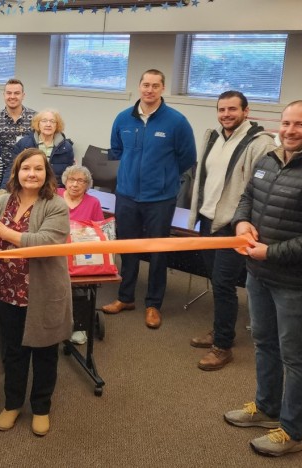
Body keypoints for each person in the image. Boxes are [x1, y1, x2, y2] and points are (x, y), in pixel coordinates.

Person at [225, 100, 302, 457]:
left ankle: (293, 431)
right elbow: (247, 198)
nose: (290, 130)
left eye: (299, 124)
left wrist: (271, 252)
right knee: (264, 343)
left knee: (294, 356)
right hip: (259, 274)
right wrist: (242, 222)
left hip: (296, 283)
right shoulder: (269, 160)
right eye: (286, 123)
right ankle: (266, 408)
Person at [0, 148, 72, 438]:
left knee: (45, 353)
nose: (32, 174)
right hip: (8, 292)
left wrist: (5, 234)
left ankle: (41, 408)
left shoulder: (56, 205)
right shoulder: (2, 202)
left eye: (38, 169)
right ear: (16, 172)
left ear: (47, 174)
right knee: (14, 352)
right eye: (26, 168)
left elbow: (45, 242)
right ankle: (13, 404)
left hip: (43, 293)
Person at [186, 91, 277, 371]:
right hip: (208, 219)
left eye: (232, 109)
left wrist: (245, 222)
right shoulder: (213, 137)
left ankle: (223, 346)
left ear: (246, 111)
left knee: (224, 283)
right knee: (216, 279)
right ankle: (221, 328)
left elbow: (261, 190)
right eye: (221, 109)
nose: (226, 114)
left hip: (233, 225)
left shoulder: (260, 143)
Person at [101, 69, 196, 329]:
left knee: (157, 253)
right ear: (139, 86)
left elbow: (187, 158)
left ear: (162, 89)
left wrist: (164, 176)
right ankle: (125, 297)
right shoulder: (123, 118)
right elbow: (116, 151)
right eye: (145, 85)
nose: (149, 90)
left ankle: (153, 304)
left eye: (155, 85)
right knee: (127, 247)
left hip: (160, 199)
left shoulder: (176, 122)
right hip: (127, 195)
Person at [56, 164, 103, 345]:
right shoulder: (55, 195)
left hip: (81, 254)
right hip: (56, 250)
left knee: (81, 288)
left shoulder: (93, 202)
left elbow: (99, 231)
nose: (75, 184)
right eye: (71, 179)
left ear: (87, 184)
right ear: (65, 181)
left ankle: (80, 326)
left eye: (80, 181)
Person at [0, 78, 36, 187]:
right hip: (2, 174)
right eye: (9, 93)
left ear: (23, 95)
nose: (12, 96)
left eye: (17, 93)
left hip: (28, 172)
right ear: (3, 95)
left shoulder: (35, 118)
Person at [11, 109, 75, 187]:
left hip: (55, 189)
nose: (48, 124)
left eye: (52, 121)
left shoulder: (66, 147)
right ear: (38, 124)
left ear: (57, 125)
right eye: (44, 121)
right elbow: (12, 169)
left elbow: (68, 176)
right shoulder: (23, 143)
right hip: (29, 187)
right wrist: (6, 190)